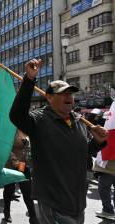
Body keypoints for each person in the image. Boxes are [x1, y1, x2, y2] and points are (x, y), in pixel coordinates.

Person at [9, 58, 109, 223]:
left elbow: (83, 156)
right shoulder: (39, 120)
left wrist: (96, 143)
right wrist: (29, 79)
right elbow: (17, 116)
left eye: (70, 93)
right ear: (49, 97)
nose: (68, 97)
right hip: (53, 205)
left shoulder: (79, 122)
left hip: (78, 204)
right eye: (62, 93)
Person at [3, 130, 38, 224]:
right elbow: (6, 148)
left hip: (23, 165)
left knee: (27, 191)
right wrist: (15, 162)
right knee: (9, 189)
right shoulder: (10, 130)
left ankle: (33, 217)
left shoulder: (26, 128)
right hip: (11, 165)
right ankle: (6, 212)